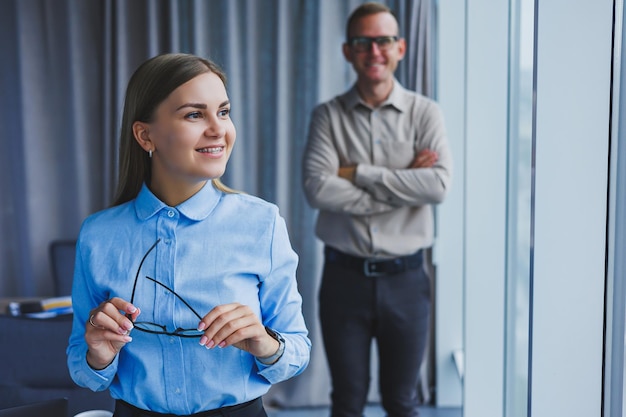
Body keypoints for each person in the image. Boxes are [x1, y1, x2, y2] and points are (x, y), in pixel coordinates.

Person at [67, 53, 311, 417]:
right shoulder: (98, 235)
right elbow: (84, 369)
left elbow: (297, 351)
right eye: (194, 114)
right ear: (145, 135)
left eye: (224, 112)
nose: (218, 129)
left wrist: (263, 341)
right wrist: (98, 354)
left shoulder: (263, 222)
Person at [302, 3, 452, 417]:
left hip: (407, 280)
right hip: (343, 280)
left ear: (401, 47)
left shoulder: (426, 113)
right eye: (362, 42)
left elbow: (438, 185)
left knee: (402, 402)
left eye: (383, 41)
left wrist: (358, 173)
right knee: (346, 401)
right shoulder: (327, 117)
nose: (374, 51)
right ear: (347, 51)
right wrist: (404, 181)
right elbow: (317, 189)